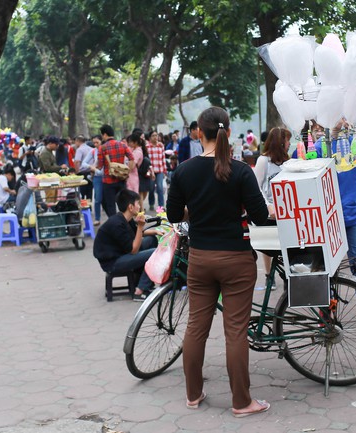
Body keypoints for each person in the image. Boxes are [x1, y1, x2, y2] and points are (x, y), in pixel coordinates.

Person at [167, 106, 271, 417]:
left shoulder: (184, 170)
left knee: (196, 327)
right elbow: (260, 216)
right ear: (226, 130)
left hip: (200, 259)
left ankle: (193, 394)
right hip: (236, 259)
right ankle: (241, 402)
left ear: (199, 132)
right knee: (235, 331)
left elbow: (174, 215)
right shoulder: (240, 170)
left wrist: (195, 212)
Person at [293, 120, 356, 339]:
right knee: (324, 270)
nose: (343, 121)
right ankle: (325, 318)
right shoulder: (316, 148)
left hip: (354, 217)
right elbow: (304, 175)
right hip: (326, 218)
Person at [93, 189, 159, 301]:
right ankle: (140, 291)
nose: (140, 206)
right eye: (138, 203)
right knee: (155, 253)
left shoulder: (125, 219)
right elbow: (133, 249)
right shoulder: (117, 224)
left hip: (121, 252)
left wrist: (155, 232)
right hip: (112, 262)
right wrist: (140, 226)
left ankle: (140, 282)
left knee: (151, 240)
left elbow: (135, 234)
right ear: (131, 207)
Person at [252, 126, 291, 288]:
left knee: (286, 245)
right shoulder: (264, 160)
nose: (289, 143)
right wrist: (268, 206)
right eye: (287, 140)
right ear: (280, 142)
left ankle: (287, 276)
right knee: (268, 246)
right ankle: (269, 275)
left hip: (285, 212)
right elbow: (256, 185)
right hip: (270, 213)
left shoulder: (287, 161)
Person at [97, 124, 134, 218]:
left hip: (108, 181)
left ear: (105, 134)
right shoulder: (122, 144)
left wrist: (93, 168)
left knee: (110, 205)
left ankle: (114, 223)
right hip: (121, 180)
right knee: (124, 203)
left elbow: (100, 166)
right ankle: (126, 222)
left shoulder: (102, 147)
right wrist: (127, 171)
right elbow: (131, 158)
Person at [146, 130, 166, 211]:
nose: (155, 137)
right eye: (153, 135)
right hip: (151, 172)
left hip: (160, 170)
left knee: (160, 188)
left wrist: (164, 171)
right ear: (150, 138)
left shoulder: (161, 146)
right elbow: (147, 160)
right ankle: (151, 204)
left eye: (156, 135)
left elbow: (163, 158)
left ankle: (160, 207)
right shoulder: (147, 147)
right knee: (151, 188)